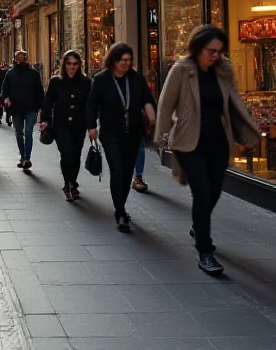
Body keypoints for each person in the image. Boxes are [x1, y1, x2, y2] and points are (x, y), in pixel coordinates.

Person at [155, 25, 260, 274]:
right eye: (211, 51)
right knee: (201, 193)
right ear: (198, 48)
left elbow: (234, 104)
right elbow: (166, 104)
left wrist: (245, 134)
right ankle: (206, 250)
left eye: (219, 51)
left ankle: (198, 225)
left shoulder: (222, 70)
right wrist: (162, 137)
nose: (215, 56)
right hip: (190, 143)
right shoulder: (182, 70)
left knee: (213, 192)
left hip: (217, 142)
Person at [87, 43, 156, 232]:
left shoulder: (136, 78)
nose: (127, 63)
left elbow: (147, 99)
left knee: (126, 172)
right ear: (114, 60)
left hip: (133, 132)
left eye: (129, 60)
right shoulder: (101, 79)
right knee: (117, 170)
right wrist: (91, 126)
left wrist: (152, 116)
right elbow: (92, 104)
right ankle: (120, 211)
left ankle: (121, 205)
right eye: (123, 60)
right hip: (110, 132)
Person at [40, 50, 91, 201]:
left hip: (79, 125)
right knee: (66, 153)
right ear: (64, 64)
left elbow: (90, 105)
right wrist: (44, 120)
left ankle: (73, 181)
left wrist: (91, 125)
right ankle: (67, 183)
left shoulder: (86, 82)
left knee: (76, 155)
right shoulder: (56, 81)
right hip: (61, 125)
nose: (72, 67)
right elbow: (48, 102)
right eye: (69, 64)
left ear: (79, 65)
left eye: (75, 64)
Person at [1, 50, 45, 169]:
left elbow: (39, 91)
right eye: (18, 57)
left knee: (28, 132)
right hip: (16, 109)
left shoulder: (33, 73)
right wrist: (6, 99)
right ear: (15, 59)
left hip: (31, 108)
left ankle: (27, 158)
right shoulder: (10, 74)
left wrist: (42, 108)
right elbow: (5, 90)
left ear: (26, 58)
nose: (21, 59)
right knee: (19, 133)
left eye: (23, 56)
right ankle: (22, 156)